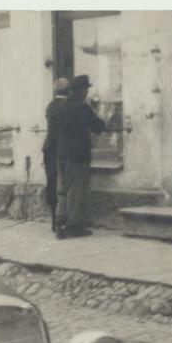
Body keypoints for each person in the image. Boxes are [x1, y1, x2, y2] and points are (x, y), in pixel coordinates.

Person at [54, 74, 106, 238]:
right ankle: (74, 227)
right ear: (80, 90)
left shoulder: (62, 106)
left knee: (62, 191)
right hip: (77, 156)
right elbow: (99, 125)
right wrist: (93, 108)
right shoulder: (81, 107)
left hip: (61, 154)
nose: (87, 92)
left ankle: (59, 225)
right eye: (86, 89)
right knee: (75, 192)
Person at [41, 77, 69, 233]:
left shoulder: (50, 105)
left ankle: (54, 220)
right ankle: (62, 221)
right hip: (60, 149)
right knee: (64, 185)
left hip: (48, 149)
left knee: (51, 183)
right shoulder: (66, 105)